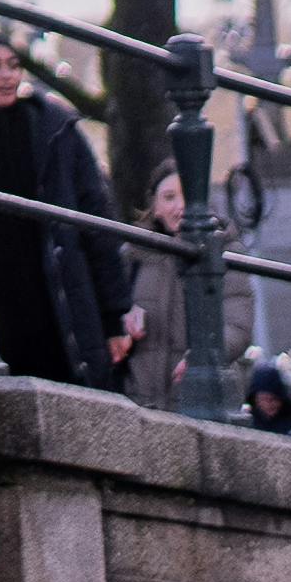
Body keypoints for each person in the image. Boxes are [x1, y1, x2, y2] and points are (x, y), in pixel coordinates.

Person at [0, 33, 135, 388]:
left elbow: (97, 222)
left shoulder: (53, 129)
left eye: (14, 66)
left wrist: (113, 317)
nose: (8, 76)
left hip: (59, 299)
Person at [119, 168, 192, 406]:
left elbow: (237, 322)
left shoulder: (224, 249)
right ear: (155, 206)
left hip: (195, 400)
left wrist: (203, 358)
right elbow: (107, 311)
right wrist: (124, 319)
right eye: (169, 197)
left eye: (188, 196)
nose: (180, 206)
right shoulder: (133, 253)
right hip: (138, 399)